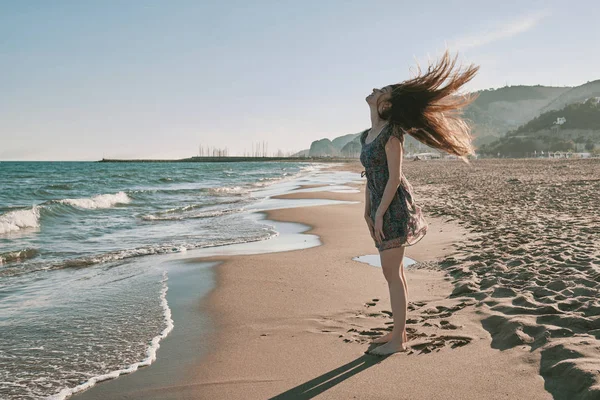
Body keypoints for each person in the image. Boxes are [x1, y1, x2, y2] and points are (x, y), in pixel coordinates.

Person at [360, 50, 479, 356]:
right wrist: (367, 210)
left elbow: (394, 178)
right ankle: (396, 331)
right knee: (392, 272)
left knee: (392, 270)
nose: (376, 90)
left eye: (381, 91)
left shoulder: (392, 134)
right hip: (378, 208)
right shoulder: (367, 135)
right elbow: (370, 175)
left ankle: (398, 340)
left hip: (394, 207)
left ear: (386, 105)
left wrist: (380, 214)